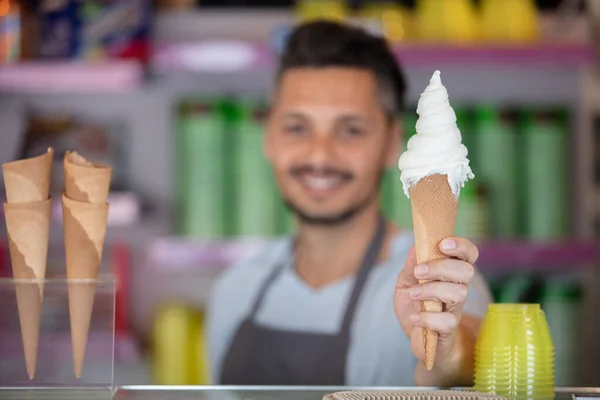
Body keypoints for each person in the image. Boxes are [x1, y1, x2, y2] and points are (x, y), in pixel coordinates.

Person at [207, 20, 492, 387]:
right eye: (297, 127)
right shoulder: (235, 289)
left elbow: (463, 360)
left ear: (392, 142)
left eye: (350, 130)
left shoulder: (436, 281)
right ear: (269, 139)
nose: (320, 155)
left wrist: (443, 351)